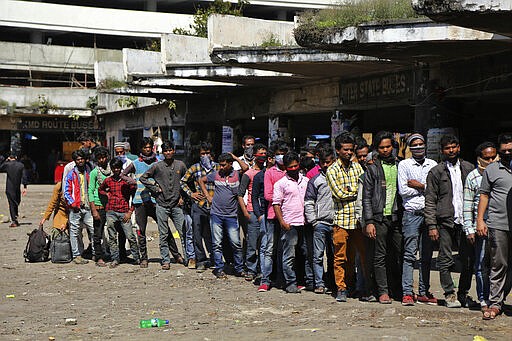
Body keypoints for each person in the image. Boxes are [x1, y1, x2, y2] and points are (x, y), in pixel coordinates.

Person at [424, 134, 474, 308]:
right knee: (444, 259)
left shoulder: (469, 168)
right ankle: (449, 294)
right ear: (442, 150)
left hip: (466, 221)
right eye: (447, 147)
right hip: (445, 222)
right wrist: (431, 225)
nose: (451, 150)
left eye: (454, 146)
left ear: (459, 147)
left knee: (468, 259)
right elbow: (430, 200)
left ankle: (463, 293)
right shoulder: (436, 172)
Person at [397, 133, 438, 306]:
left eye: (421, 144)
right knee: (409, 255)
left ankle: (423, 291)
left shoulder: (433, 165)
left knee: (426, 255)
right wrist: (425, 188)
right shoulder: (404, 165)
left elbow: (435, 190)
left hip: (428, 214)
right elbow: (403, 191)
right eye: (415, 145)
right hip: (412, 214)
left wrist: (419, 185)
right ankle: (407, 292)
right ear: (409, 148)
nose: (419, 147)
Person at [363, 131, 403, 304]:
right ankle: (383, 291)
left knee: (399, 254)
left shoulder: (401, 165)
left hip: (398, 217)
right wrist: (369, 221)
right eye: (382, 147)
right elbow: (367, 197)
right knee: (379, 256)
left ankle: (398, 289)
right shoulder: (372, 169)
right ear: (377, 149)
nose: (385, 150)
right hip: (380, 218)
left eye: (388, 146)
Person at [326, 133, 365, 302]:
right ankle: (341, 288)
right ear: (338, 151)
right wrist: (354, 192)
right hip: (341, 220)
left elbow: (364, 189)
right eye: (345, 150)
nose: (349, 153)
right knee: (340, 257)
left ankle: (354, 286)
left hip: (357, 220)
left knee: (358, 257)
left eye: (351, 149)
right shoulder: (332, 170)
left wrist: (351, 191)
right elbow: (339, 194)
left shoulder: (358, 168)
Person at [477, 133, 512, 319]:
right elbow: (484, 195)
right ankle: (495, 303)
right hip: (498, 224)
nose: (507, 153)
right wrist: (480, 220)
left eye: (510, 150)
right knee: (498, 264)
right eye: (504, 150)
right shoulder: (492, 169)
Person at [199, 152, 248, 278]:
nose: (220, 167)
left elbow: (246, 168)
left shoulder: (237, 175)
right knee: (217, 244)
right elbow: (201, 180)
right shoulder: (216, 175)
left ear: (230, 164)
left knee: (236, 243)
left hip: (231, 215)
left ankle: (239, 268)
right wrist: (207, 196)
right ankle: (219, 268)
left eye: (223, 165)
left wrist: (235, 157)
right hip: (216, 215)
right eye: (220, 165)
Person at [140, 140, 187, 270]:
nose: (168, 153)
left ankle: (188, 258)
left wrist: (183, 196)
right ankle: (165, 260)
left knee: (183, 232)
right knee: (164, 234)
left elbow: (187, 181)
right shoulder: (157, 166)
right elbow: (143, 178)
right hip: (161, 204)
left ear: (174, 151)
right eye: (165, 151)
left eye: (170, 150)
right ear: (163, 152)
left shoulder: (180, 165)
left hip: (177, 205)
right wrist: (155, 188)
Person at [463, 142, 497, 311]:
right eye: (487, 158)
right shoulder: (473, 177)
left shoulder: (502, 173)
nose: (491, 161)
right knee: (481, 264)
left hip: (500, 225)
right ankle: (483, 299)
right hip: (481, 226)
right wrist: (469, 228)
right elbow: (468, 204)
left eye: (493, 157)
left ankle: (496, 299)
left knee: (499, 264)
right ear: (479, 159)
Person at [273, 151, 309, 293]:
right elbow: (276, 204)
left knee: (304, 253)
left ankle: (303, 280)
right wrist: (282, 222)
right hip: (290, 223)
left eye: (295, 166)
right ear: (285, 167)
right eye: (290, 167)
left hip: (305, 223)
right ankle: (290, 283)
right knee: (289, 256)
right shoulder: (281, 184)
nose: (293, 169)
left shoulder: (305, 181)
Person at [181, 141, 220, 272]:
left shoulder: (218, 168)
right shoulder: (194, 168)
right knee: (197, 234)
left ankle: (216, 259)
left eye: (207, 153)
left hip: (215, 206)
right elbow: (183, 182)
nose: (205, 156)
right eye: (203, 153)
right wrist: (191, 194)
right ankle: (201, 260)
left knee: (214, 234)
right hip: (198, 205)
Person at [123, 137, 160, 268]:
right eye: (145, 147)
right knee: (141, 231)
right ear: (141, 149)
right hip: (139, 201)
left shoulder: (158, 161)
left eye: (149, 147)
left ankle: (173, 255)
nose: (147, 149)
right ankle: (144, 258)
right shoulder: (136, 163)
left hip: (156, 200)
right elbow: (123, 174)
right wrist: (134, 182)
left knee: (164, 229)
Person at [305, 146, 336, 295]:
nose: (325, 165)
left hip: (337, 223)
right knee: (317, 256)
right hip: (320, 223)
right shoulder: (315, 180)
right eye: (323, 162)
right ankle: (319, 283)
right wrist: (314, 221)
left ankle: (333, 282)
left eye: (328, 162)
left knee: (334, 256)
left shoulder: (339, 177)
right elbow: (309, 202)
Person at [258, 141, 289, 292]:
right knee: (270, 248)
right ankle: (265, 280)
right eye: (279, 153)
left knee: (285, 249)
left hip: (289, 216)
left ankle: (283, 279)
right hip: (272, 215)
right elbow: (268, 195)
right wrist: (286, 196)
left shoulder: (292, 171)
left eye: (283, 153)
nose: (281, 156)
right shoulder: (270, 173)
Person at [98, 158, 140, 268]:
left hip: (124, 212)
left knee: (130, 236)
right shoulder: (108, 180)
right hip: (111, 211)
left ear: (121, 168)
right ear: (111, 169)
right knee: (112, 237)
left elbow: (135, 196)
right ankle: (115, 259)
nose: (116, 170)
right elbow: (100, 189)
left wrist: (130, 212)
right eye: (114, 168)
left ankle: (137, 258)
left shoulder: (127, 181)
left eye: (118, 167)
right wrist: (106, 194)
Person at [237, 143, 267, 281]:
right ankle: (251, 268)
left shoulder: (267, 172)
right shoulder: (248, 174)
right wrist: (245, 212)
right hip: (251, 211)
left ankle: (262, 269)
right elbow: (240, 193)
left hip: (264, 211)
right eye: (260, 154)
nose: (263, 157)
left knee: (264, 243)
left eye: (265, 154)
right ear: (255, 156)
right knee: (252, 243)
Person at [63, 149, 94, 264]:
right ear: (75, 161)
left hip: (88, 206)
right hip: (75, 208)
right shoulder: (71, 174)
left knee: (93, 230)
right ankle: (76, 255)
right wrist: (72, 204)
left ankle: (96, 253)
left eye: (82, 159)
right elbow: (66, 191)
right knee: (74, 231)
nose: (80, 161)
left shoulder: (89, 172)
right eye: (78, 159)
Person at [88, 147, 112, 267]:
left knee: (114, 232)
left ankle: (116, 255)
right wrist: (93, 210)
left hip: (112, 207)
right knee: (98, 234)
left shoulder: (113, 171)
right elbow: (90, 191)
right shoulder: (93, 173)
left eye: (104, 157)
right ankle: (98, 257)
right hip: (99, 207)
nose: (102, 160)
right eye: (99, 158)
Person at [0, 155, 28, 227]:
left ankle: (14, 220)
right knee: (16, 202)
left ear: (9, 158)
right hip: (17, 188)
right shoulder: (21, 165)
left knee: (12, 204)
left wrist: (6, 161)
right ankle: (15, 217)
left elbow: (1, 167)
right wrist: (25, 186)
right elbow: (24, 176)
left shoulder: (7, 165)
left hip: (9, 187)